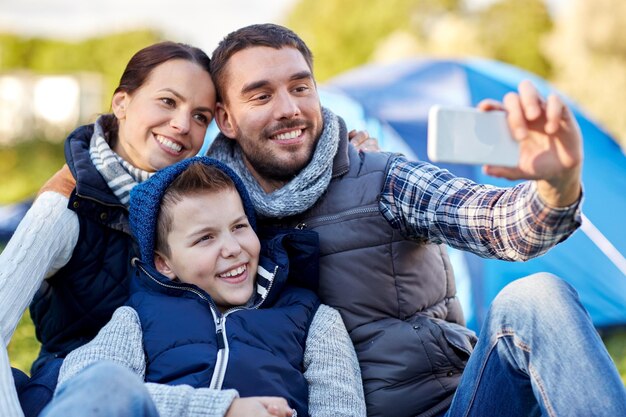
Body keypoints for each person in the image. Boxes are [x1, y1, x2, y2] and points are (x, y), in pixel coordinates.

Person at [205, 23, 626, 417]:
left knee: (537, 298)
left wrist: (558, 182)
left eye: (301, 88)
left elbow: (501, 226)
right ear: (225, 118)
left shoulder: (382, 178)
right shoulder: (207, 216)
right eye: (261, 96)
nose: (289, 109)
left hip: (453, 406)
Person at [41, 156, 365, 417]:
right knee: (105, 379)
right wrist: (223, 409)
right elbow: (84, 388)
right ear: (164, 264)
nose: (233, 248)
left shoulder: (311, 317)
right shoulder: (138, 318)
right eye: (205, 238)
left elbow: (341, 407)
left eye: (239, 227)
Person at [0, 41, 216, 417]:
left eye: (200, 116)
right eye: (167, 101)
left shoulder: (200, 198)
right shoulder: (64, 205)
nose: (182, 125)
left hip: (177, 389)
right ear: (122, 103)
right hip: (87, 395)